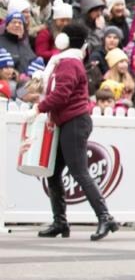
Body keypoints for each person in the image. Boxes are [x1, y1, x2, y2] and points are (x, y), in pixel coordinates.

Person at [29, 20, 119, 241]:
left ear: (64, 40)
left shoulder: (69, 62)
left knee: (79, 171)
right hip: (67, 121)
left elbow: (62, 94)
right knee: (53, 172)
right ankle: (60, 222)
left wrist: (38, 108)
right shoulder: (66, 61)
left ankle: (105, 217)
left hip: (74, 121)